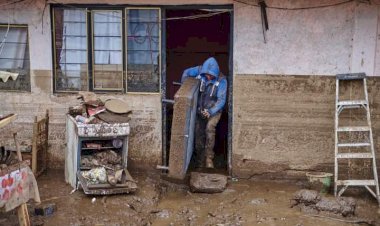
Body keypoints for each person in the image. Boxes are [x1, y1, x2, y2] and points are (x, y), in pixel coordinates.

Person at [181, 57, 227, 168]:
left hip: (214, 110)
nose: (208, 76)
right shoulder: (200, 70)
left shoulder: (222, 81)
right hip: (200, 108)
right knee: (198, 132)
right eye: (206, 74)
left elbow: (221, 100)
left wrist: (211, 111)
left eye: (210, 75)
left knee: (209, 128)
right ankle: (199, 160)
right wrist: (185, 88)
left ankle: (209, 158)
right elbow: (186, 73)